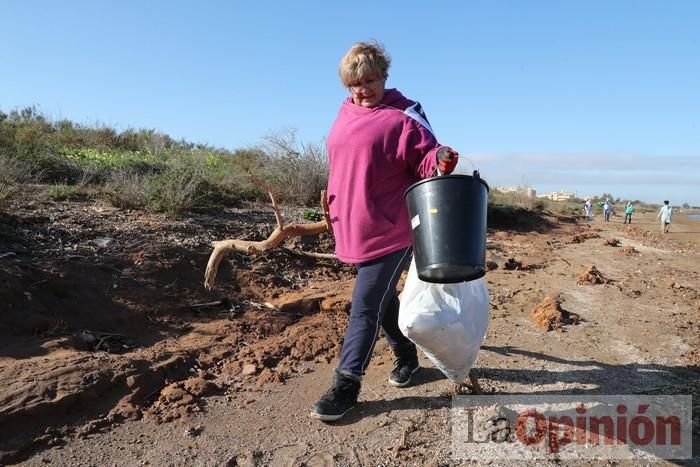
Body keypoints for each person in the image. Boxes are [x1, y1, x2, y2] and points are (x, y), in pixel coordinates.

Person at [310, 41, 459, 422]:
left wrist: (440, 160)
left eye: (370, 80)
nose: (362, 90)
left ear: (384, 76)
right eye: (354, 84)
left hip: (391, 228)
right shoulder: (346, 112)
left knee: (364, 306)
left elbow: (426, 154)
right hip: (354, 225)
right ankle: (408, 357)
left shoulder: (403, 113)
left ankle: (347, 384)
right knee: (381, 300)